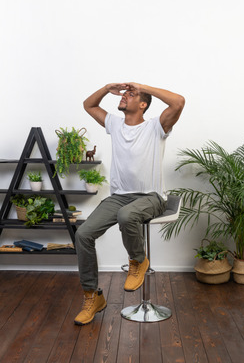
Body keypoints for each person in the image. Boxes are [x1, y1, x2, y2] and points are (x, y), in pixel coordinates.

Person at [74, 82, 185, 325]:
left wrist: (142, 86)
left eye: (130, 94)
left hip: (151, 197)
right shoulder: (114, 124)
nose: (124, 96)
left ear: (143, 105)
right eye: (124, 93)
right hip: (119, 197)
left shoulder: (157, 126)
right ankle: (92, 297)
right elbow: (89, 105)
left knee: (127, 215)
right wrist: (106, 88)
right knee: (83, 234)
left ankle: (138, 260)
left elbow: (178, 101)